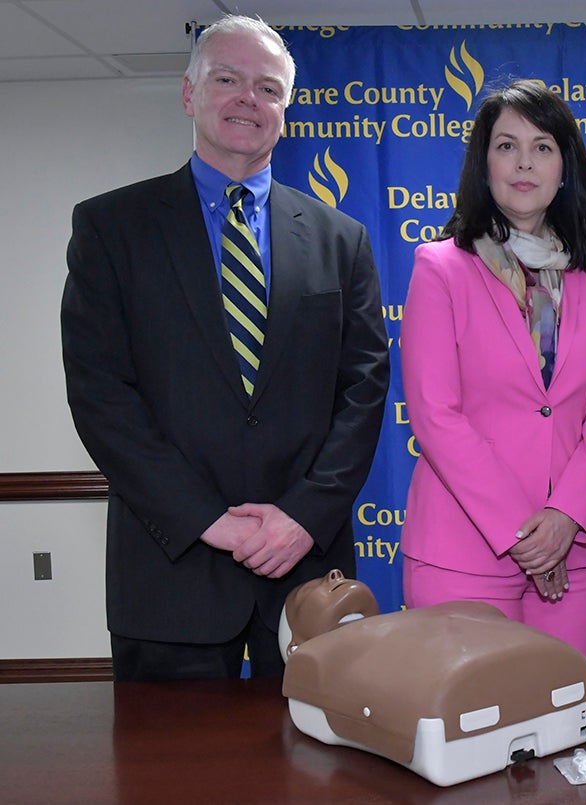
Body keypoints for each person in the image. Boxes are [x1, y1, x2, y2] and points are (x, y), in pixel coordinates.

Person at [60, 14, 390, 681]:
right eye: (228, 79)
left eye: (268, 88)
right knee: (165, 781)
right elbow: (101, 396)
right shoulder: (111, 228)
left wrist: (303, 516)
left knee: (314, 780)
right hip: (169, 570)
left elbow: (363, 390)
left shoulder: (340, 239)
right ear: (189, 94)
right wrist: (209, 520)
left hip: (305, 577)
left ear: (286, 110)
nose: (249, 99)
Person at [399, 79, 586, 666]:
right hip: (463, 552)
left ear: (564, 168)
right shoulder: (440, 268)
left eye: (542, 146)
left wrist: (563, 520)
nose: (524, 162)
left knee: (563, 728)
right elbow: (435, 415)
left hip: (572, 555)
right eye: (506, 145)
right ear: (484, 165)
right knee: (466, 739)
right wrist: (527, 539)